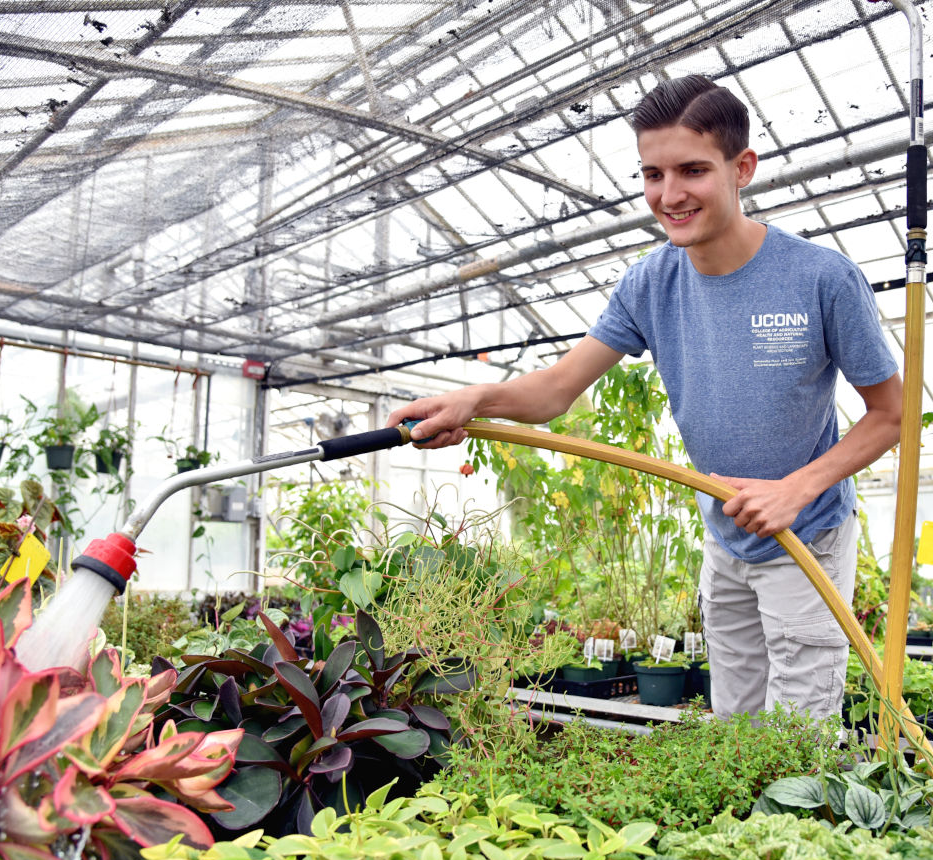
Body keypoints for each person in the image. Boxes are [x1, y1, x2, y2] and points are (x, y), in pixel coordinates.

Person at [386, 74, 902, 721]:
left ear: (742, 168)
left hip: (810, 536)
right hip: (727, 537)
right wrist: (474, 399)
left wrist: (796, 488)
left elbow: (891, 414)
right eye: (652, 175)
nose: (669, 195)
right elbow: (555, 391)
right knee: (735, 722)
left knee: (800, 731)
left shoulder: (821, 278)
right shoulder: (650, 283)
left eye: (691, 170)